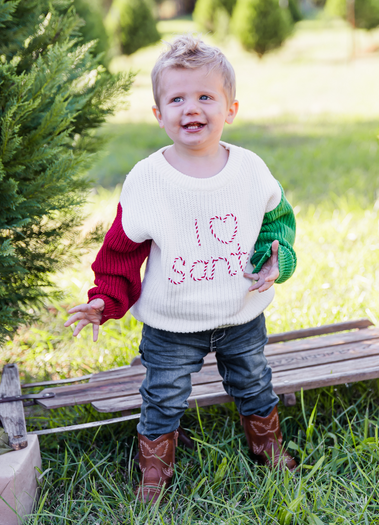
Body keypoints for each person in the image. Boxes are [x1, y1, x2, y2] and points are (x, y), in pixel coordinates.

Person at [64, 34, 298, 503]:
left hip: (241, 313)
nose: (191, 108)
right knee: (164, 394)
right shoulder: (148, 179)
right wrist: (105, 299)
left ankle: (266, 442)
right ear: (159, 114)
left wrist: (277, 260)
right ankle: (155, 466)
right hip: (172, 325)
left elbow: (276, 225)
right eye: (177, 99)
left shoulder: (250, 170)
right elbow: (121, 249)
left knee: (254, 381)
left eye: (206, 96)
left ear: (230, 108)